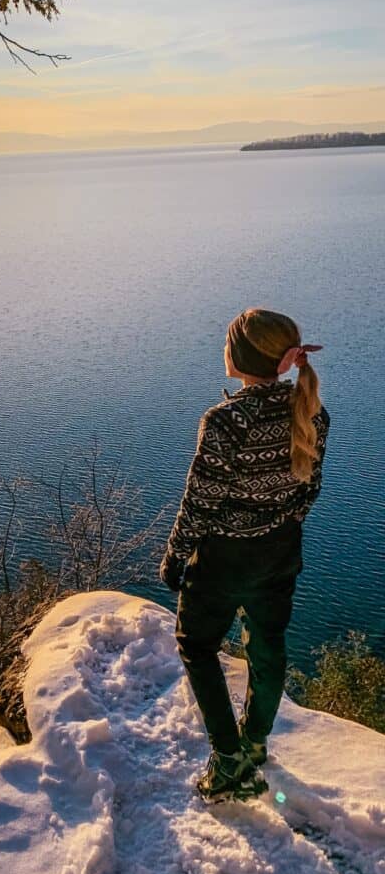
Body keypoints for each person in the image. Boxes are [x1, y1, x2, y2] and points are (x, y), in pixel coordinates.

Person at [159, 308, 330, 802]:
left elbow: (199, 503)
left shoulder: (226, 421)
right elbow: (307, 493)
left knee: (195, 645)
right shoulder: (311, 410)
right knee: (267, 647)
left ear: (243, 358)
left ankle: (228, 760)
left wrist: (175, 558)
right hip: (280, 554)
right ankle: (254, 744)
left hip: (224, 560)